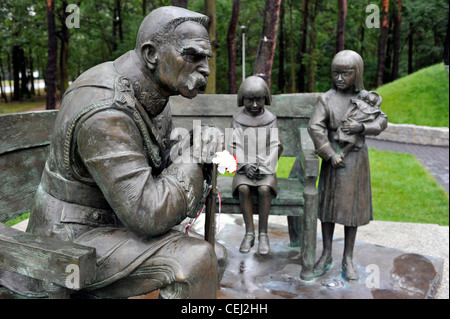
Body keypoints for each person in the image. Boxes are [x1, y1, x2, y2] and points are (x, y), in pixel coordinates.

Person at [8, 6, 225, 299]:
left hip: (113, 219)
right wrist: (192, 158)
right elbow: (148, 213)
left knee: (217, 255)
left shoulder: (153, 89)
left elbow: (155, 160)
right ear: (151, 54)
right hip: (68, 241)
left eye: (206, 58)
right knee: (196, 261)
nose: (205, 70)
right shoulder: (106, 110)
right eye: (192, 56)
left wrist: (191, 144)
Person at [307, 50, 387, 281]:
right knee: (328, 209)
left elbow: (381, 120)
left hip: (356, 160)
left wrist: (362, 128)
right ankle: (327, 254)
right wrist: (329, 153)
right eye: (336, 74)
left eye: (346, 74)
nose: (340, 79)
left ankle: (348, 257)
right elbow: (316, 127)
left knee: (353, 211)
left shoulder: (366, 99)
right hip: (334, 160)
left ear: (357, 73)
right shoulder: (326, 99)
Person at [228, 76, 283, 255]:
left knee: (264, 190)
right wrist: (244, 164)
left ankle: (263, 234)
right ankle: (249, 232)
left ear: (266, 98)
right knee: (243, 188)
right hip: (244, 169)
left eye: (259, 100)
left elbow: (274, 144)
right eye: (249, 100)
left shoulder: (270, 119)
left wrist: (264, 165)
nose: (254, 105)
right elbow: (233, 144)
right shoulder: (237, 119)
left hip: (265, 169)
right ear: (242, 99)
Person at [337, 90, 383, 157]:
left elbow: (380, 123)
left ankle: (342, 152)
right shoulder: (327, 97)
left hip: (356, 147)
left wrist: (361, 127)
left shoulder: (371, 109)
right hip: (336, 138)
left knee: (352, 141)